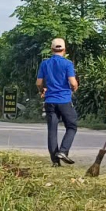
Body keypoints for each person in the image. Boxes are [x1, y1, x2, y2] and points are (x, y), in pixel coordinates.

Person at [36, 38, 79, 167]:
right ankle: (63, 151)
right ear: (64, 50)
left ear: (52, 49)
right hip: (64, 100)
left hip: (50, 101)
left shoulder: (45, 64)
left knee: (52, 130)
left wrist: (42, 90)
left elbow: (38, 83)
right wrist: (75, 87)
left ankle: (55, 162)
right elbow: (72, 82)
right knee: (72, 126)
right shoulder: (67, 64)